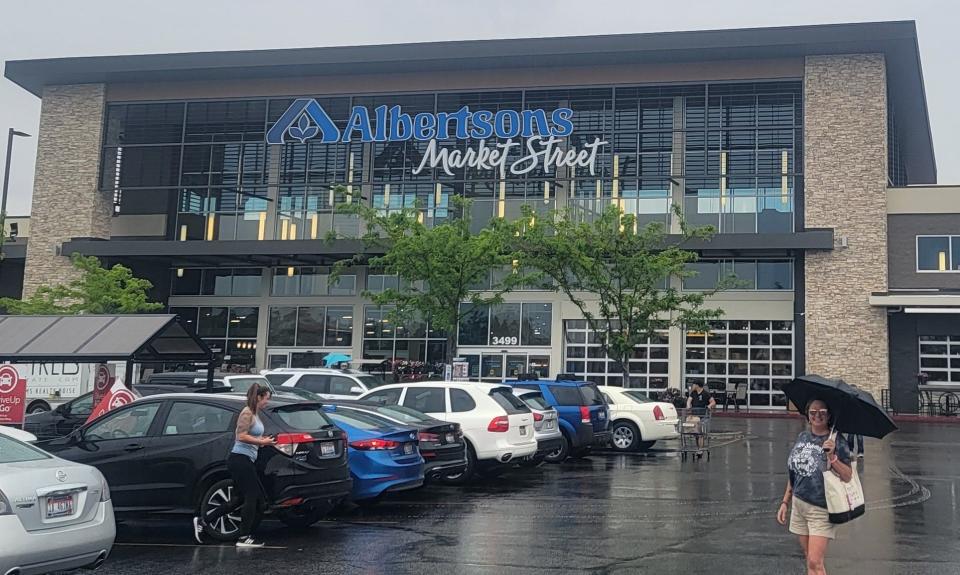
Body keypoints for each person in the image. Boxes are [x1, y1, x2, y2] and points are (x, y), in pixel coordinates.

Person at [777, 399, 854, 575]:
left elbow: (847, 476)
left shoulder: (837, 441)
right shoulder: (802, 437)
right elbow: (795, 472)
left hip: (820, 508)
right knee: (810, 558)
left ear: (829, 416)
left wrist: (833, 456)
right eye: (813, 412)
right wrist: (785, 502)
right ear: (807, 415)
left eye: (822, 412)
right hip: (799, 505)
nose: (817, 416)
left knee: (815, 561)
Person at [194, 383, 276, 547]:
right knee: (251, 496)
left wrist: (263, 441)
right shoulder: (247, 413)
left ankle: (204, 521)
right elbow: (241, 436)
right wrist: (261, 441)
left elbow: (251, 435)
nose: (267, 402)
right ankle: (243, 537)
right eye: (266, 399)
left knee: (239, 499)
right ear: (259, 397)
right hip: (240, 459)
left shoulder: (255, 414)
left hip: (247, 459)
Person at [685, 381, 716, 459]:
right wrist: (688, 406)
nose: (692, 386)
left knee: (700, 433)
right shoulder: (693, 393)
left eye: (694, 384)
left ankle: (700, 449)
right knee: (696, 433)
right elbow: (689, 400)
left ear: (697, 385)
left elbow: (713, 402)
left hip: (702, 416)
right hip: (694, 415)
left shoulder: (706, 393)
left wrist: (709, 406)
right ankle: (698, 448)